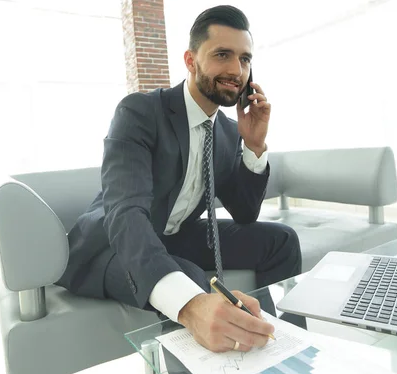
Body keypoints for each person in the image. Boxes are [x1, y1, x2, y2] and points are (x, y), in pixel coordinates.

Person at [56, 5, 302, 354]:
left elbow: (245, 213)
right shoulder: (139, 112)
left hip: (176, 235)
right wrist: (191, 303)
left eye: (245, 59)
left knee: (282, 240)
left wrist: (254, 145)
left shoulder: (230, 133)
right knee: (187, 278)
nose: (237, 70)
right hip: (114, 242)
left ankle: (286, 343)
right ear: (190, 60)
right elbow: (126, 213)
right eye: (222, 55)